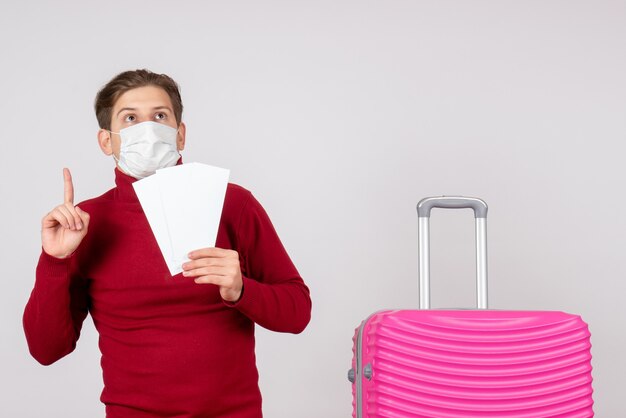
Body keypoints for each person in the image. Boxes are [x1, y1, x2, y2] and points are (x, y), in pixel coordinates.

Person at [23, 69, 312, 418]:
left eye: (160, 116)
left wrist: (241, 290)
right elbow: (47, 350)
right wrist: (54, 261)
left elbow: (298, 313)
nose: (148, 129)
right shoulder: (84, 223)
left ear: (180, 134)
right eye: (130, 118)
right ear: (106, 141)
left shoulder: (231, 203)